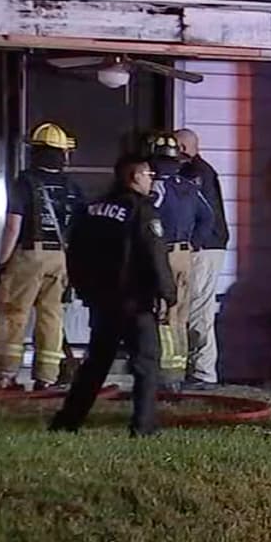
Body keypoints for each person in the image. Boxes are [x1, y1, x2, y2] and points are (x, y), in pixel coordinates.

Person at [49, 155, 176, 437]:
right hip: (135, 302)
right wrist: (167, 293)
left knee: (95, 364)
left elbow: (75, 251)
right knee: (146, 363)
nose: (152, 179)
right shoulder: (142, 210)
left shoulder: (92, 209)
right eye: (148, 175)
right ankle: (144, 427)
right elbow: (154, 253)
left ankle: (67, 421)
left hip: (103, 302)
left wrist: (84, 289)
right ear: (134, 177)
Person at [0, 122, 84, 392]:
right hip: (61, 258)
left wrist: (3, 260)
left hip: (29, 254)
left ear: (35, 152)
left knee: (13, 312)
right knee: (52, 316)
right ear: (63, 154)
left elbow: (13, 225)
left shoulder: (25, 182)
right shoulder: (72, 187)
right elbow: (81, 228)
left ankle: (4, 375)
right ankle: (46, 377)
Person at [146, 131, 215, 391]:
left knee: (163, 313)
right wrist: (193, 243)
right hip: (185, 257)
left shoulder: (156, 188)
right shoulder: (189, 187)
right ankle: (178, 371)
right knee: (180, 315)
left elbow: (145, 218)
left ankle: (165, 375)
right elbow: (208, 218)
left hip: (162, 255)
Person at [176, 128, 230, 390]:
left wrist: (194, 243)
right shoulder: (195, 172)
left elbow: (203, 214)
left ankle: (203, 372)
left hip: (204, 249)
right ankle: (193, 368)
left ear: (183, 148)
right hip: (202, 247)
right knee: (190, 307)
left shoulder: (197, 174)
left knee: (198, 308)